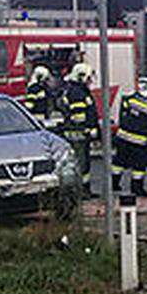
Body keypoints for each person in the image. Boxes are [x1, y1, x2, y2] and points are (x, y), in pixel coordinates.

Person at [58, 63, 99, 197]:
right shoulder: (77, 92)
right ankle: (80, 192)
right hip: (78, 134)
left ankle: (84, 190)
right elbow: (79, 116)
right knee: (81, 163)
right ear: (81, 76)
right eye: (88, 78)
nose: (90, 81)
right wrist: (89, 129)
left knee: (84, 163)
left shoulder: (79, 90)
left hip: (80, 133)